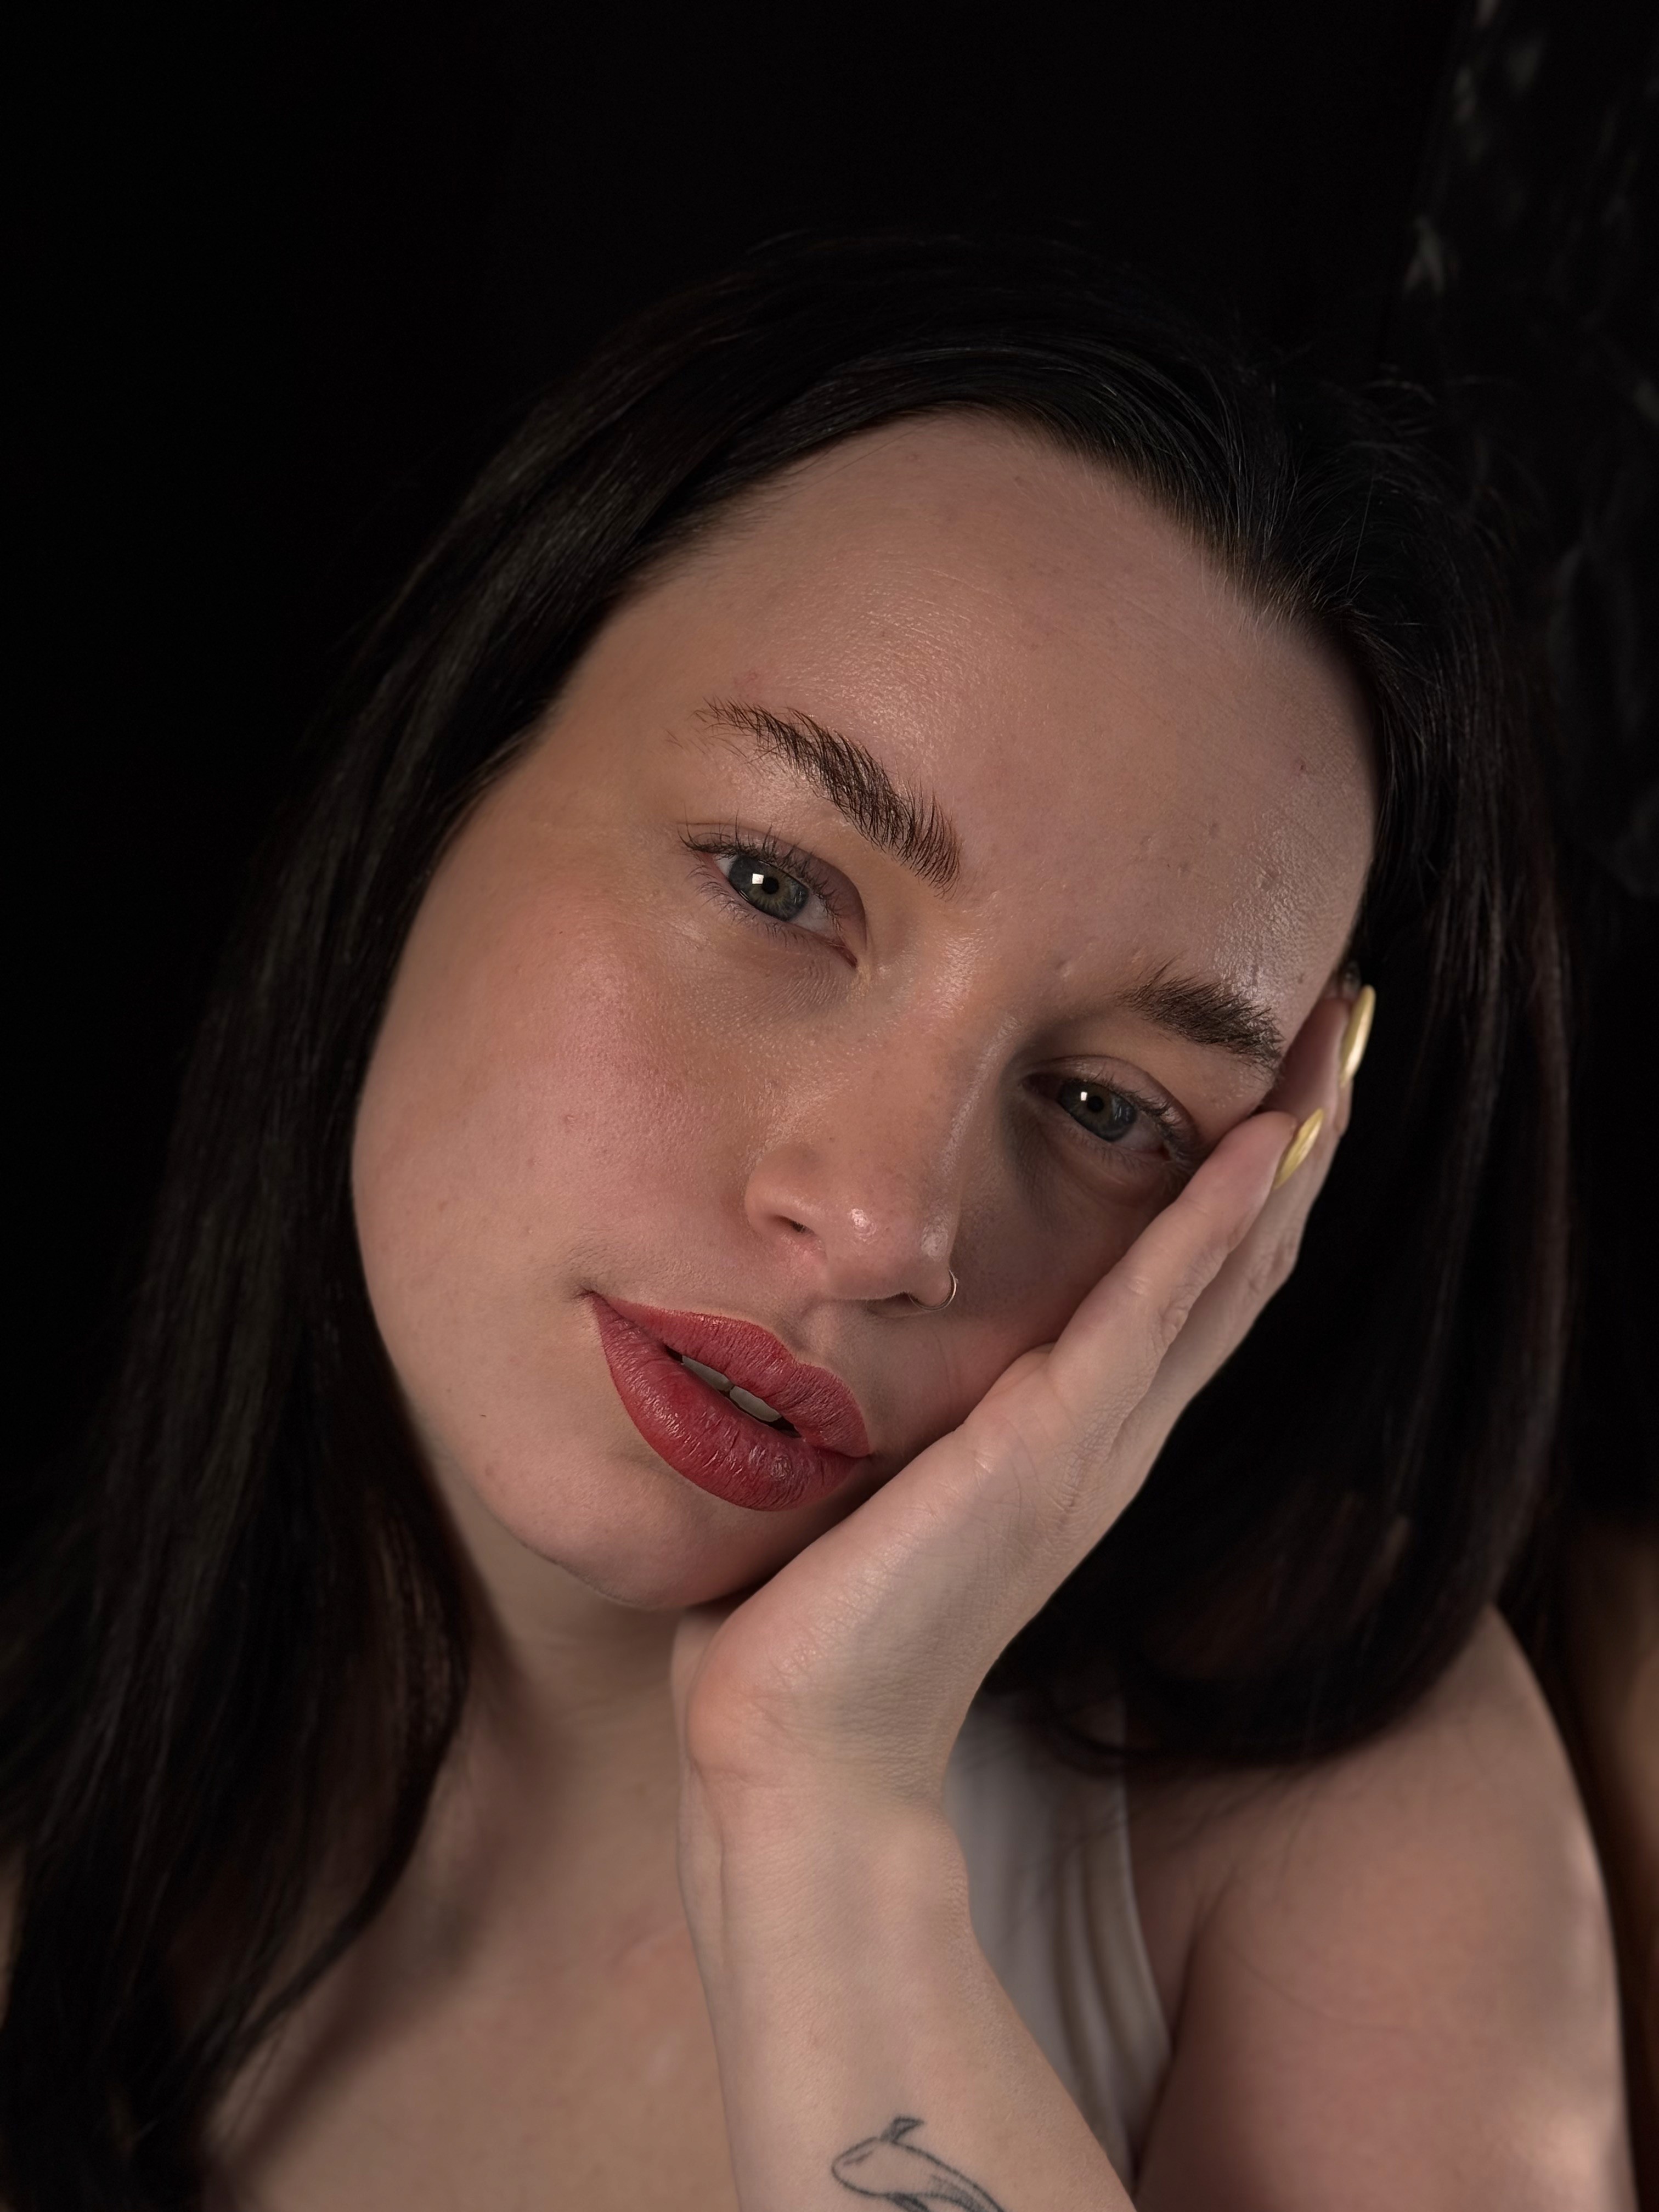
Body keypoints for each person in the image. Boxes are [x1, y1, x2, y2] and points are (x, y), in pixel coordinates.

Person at [0, 234, 1634, 2209]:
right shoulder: (61, 1721)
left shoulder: (1310, 1771)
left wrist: (828, 1831)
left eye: (1111, 1109)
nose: (880, 1222)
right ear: (448, 773)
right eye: (777, 888)